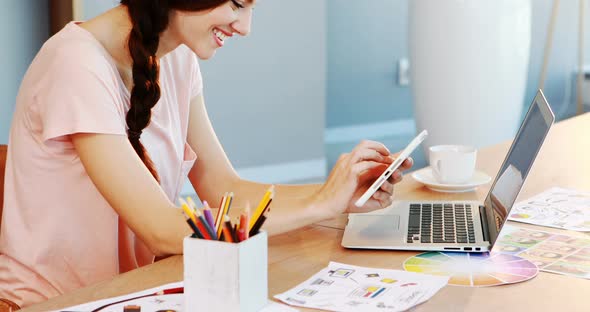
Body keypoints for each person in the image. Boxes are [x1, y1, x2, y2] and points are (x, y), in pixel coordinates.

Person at [0, 0, 413, 307]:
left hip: (132, 294)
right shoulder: (75, 65)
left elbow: (224, 189)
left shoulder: (176, 58)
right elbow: (160, 228)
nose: (246, 27)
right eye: (237, 4)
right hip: (55, 303)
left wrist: (336, 194)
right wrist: (322, 204)